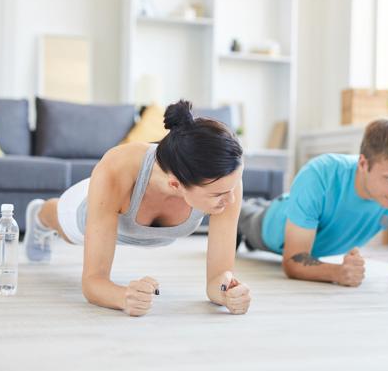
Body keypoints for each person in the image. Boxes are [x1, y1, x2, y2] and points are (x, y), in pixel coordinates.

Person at [24, 100, 251, 316]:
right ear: (175, 185)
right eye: (218, 194)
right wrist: (123, 296)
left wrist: (227, 292)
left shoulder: (225, 182)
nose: (231, 200)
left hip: (126, 213)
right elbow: (93, 282)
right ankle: (40, 215)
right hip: (86, 207)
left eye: (231, 189)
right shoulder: (119, 166)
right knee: (65, 227)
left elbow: (217, 280)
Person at [237, 118, 388, 287]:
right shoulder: (320, 174)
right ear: (363, 163)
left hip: (312, 235)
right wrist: (337, 272)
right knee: (242, 213)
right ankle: (249, 211)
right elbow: (293, 260)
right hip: (271, 224)